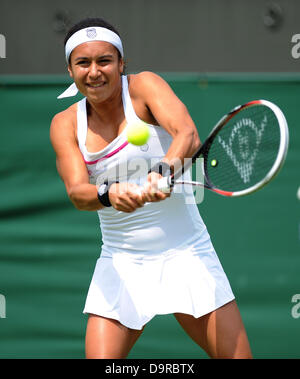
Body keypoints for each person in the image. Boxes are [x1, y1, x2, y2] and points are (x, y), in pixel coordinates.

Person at [50, 17, 252, 359]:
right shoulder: (65, 123)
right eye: (83, 63)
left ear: (121, 63)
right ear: (70, 70)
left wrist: (161, 172)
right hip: (121, 261)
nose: (94, 71)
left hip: (186, 252)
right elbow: (77, 193)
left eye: (105, 61)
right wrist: (109, 194)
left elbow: (186, 134)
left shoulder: (144, 86)